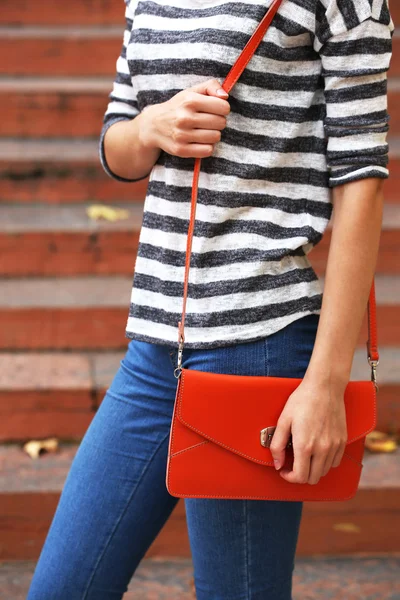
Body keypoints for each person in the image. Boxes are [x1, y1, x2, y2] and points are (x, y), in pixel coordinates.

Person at [27, 0, 394, 598]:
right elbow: (117, 143)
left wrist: (325, 382)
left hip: (260, 346)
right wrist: (150, 127)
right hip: (155, 344)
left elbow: (362, 181)